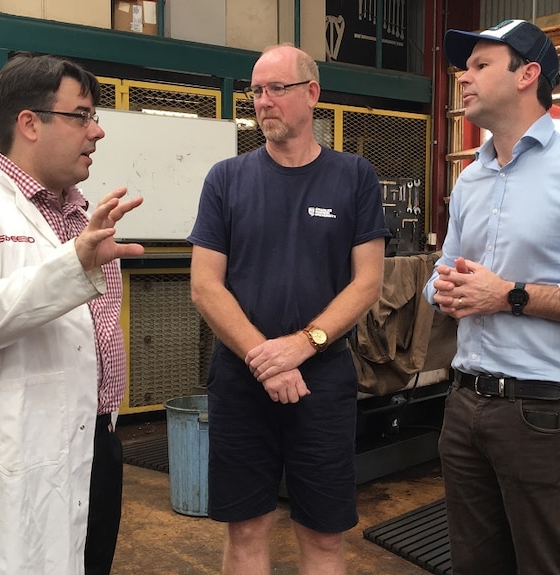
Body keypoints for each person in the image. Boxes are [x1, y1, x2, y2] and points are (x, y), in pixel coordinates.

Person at [422, 20, 560, 575]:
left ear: (527, 75)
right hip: (465, 404)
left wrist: (509, 296)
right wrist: (444, 289)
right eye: (464, 67)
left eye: (480, 65)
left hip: (544, 411)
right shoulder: (471, 179)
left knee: (546, 565)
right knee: (475, 564)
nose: (463, 78)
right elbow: (441, 273)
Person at [0, 53, 143, 574]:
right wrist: (72, 266)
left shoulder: (84, 216)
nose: (98, 131)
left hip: (98, 443)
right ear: (29, 124)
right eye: (82, 115)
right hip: (5, 451)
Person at [188, 43, 389, 575]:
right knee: (247, 528)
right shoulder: (225, 180)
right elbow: (205, 286)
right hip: (241, 378)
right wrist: (265, 357)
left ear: (312, 94)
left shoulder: (354, 178)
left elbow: (368, 282)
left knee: (323, 536)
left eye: (277, 88)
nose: (263, 101)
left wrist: (303, 346)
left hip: (322, 381)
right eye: (256, 90)